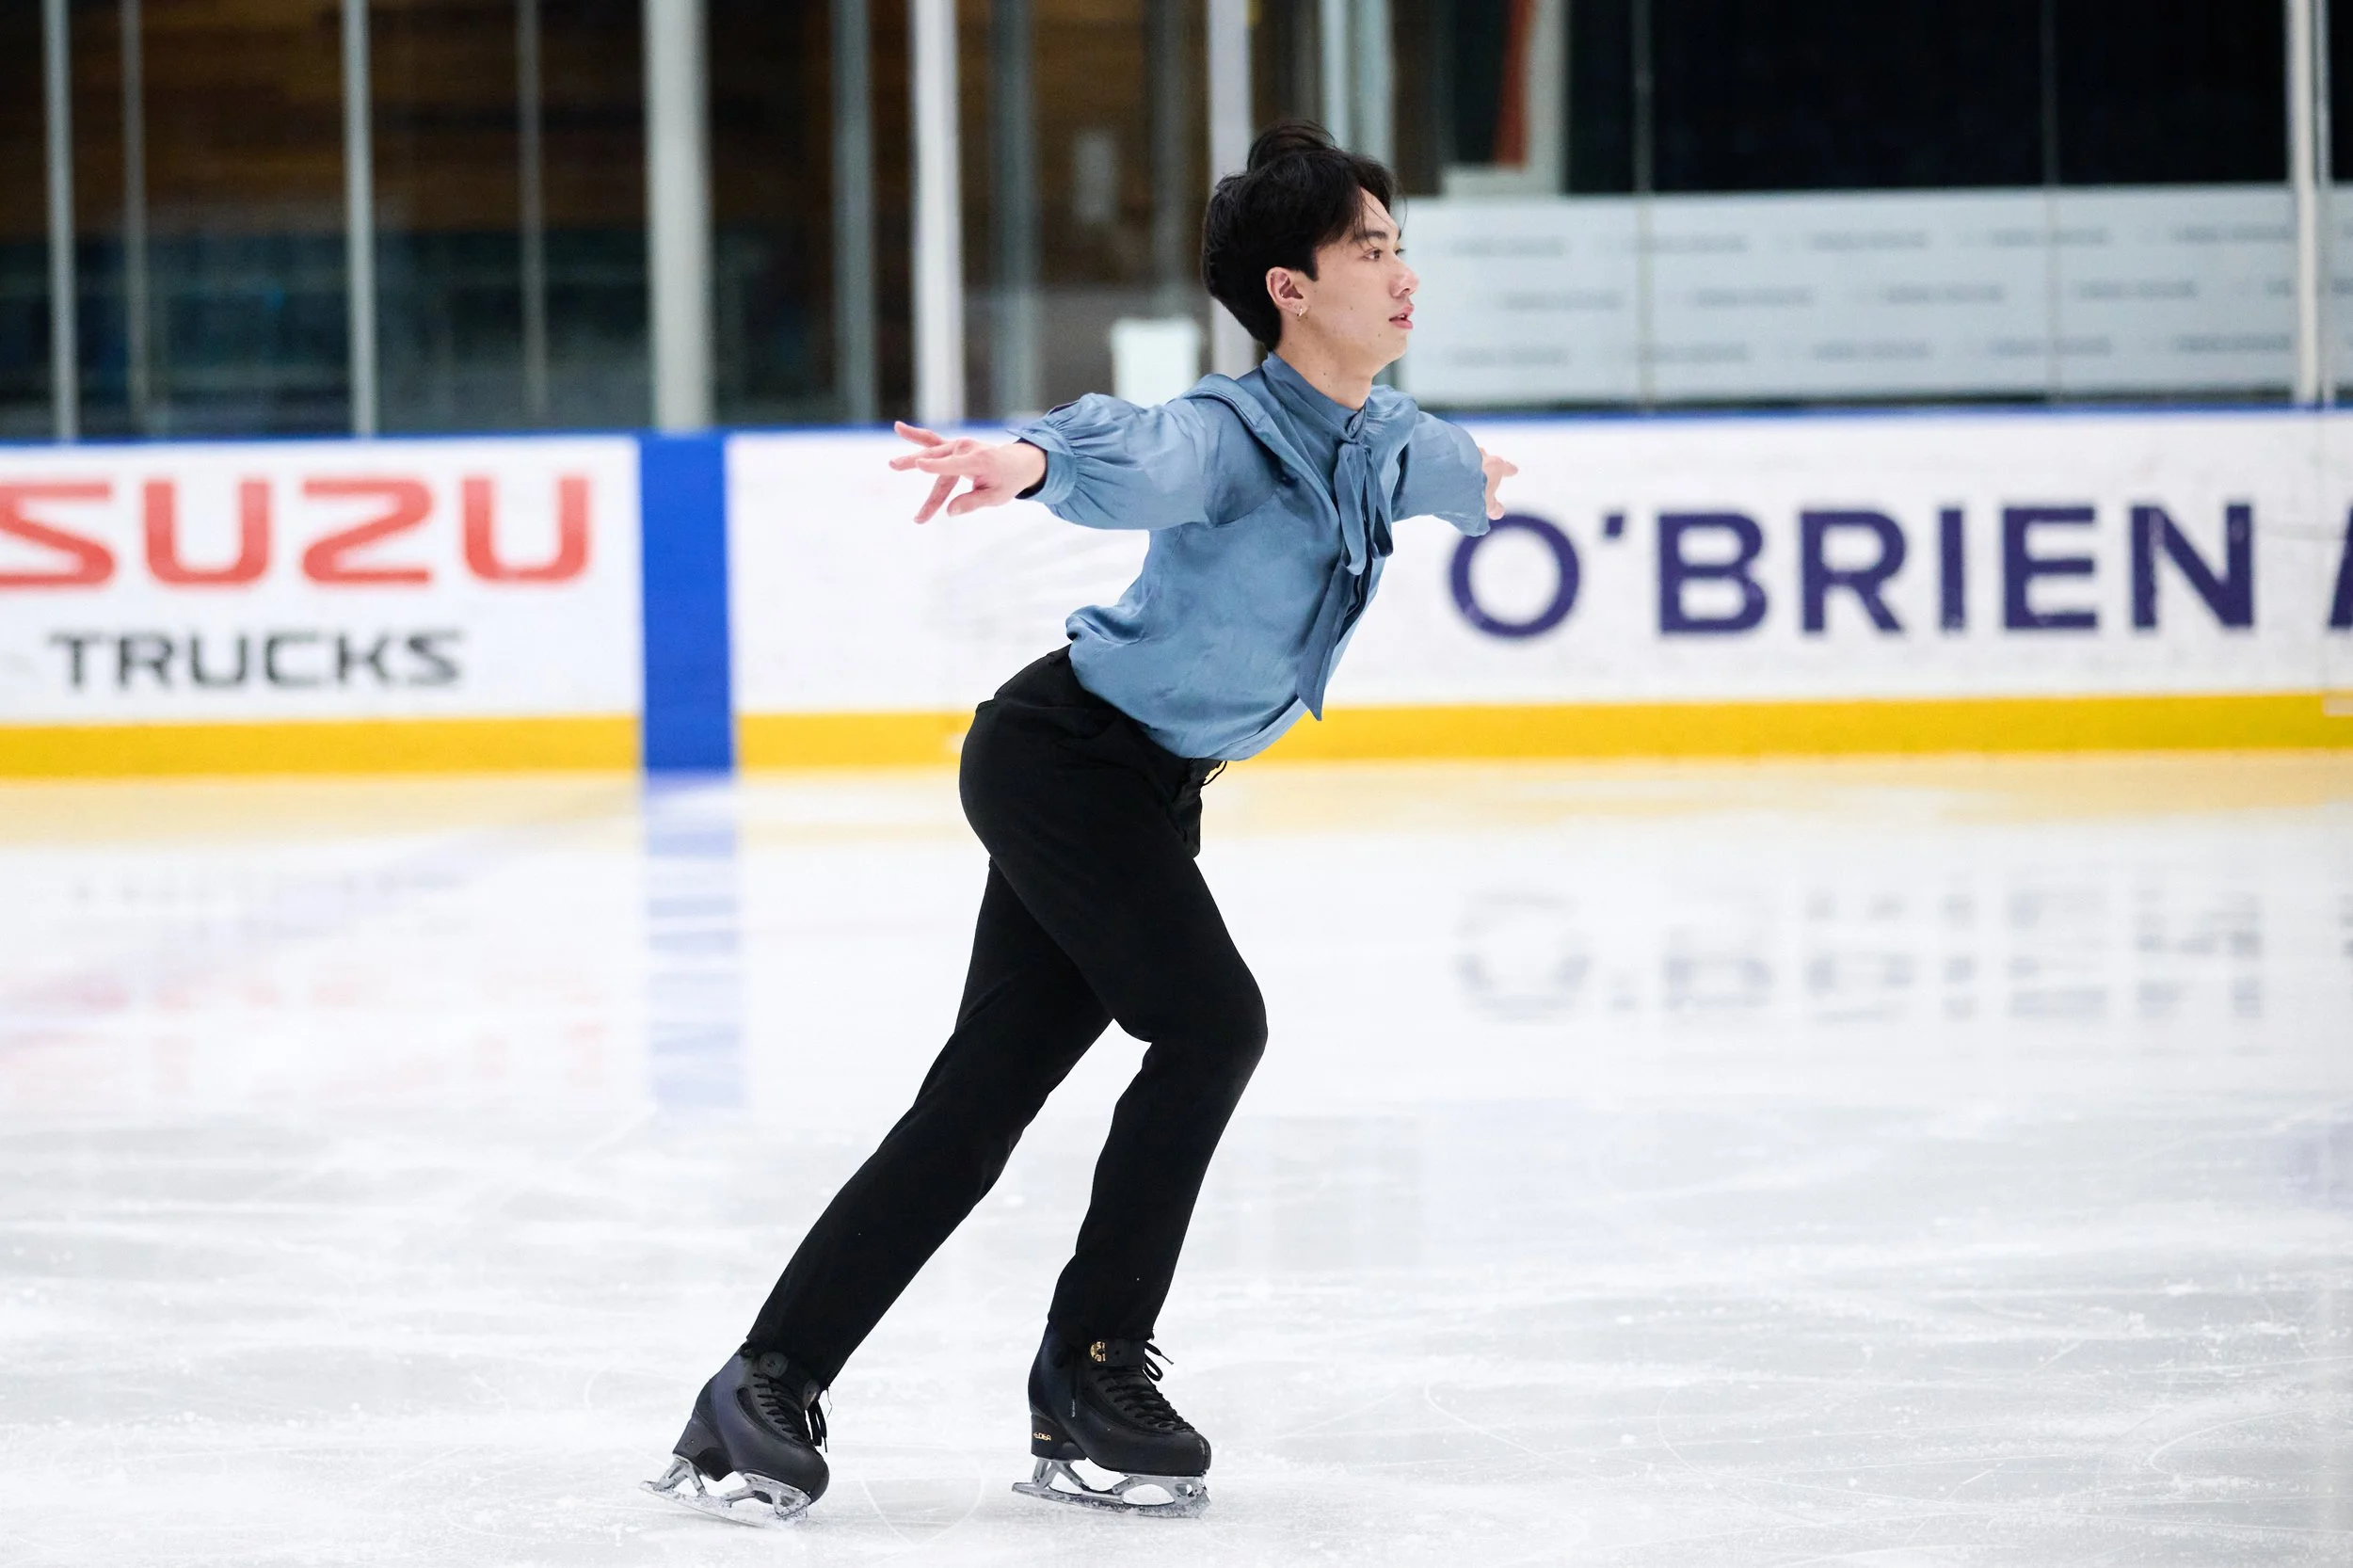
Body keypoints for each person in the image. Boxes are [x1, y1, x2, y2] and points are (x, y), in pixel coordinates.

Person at [643, 120, 1515, 1526]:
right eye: (1370, 250)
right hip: (1065, 761)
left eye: (1399, 245)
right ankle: (1094, 1363)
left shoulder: (1378, 436)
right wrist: (1031, 462)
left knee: (981, 1099)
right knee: (1212, 1023)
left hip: (1140, 789)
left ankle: (764, 1379)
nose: (1403, 272)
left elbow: (1430, 462)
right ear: (1290, 289)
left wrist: (1480, 481)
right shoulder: (1230, 437)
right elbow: (1141, 452)